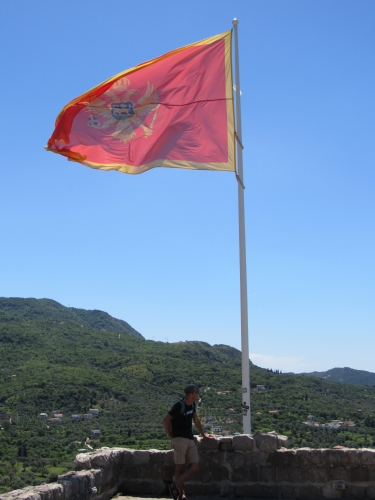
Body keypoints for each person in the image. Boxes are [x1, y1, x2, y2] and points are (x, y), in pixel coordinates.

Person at [163, 384, 212, 500]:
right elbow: (166, 419)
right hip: (179, 439)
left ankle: (175, 484)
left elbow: (196, 420)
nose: (198, 395)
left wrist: (203, 435)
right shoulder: (179, 405)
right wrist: (169, 434)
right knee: (179, 466)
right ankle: (180, 494)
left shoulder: (192, 405)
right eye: (197, 393)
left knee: (195, 466)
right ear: (193, 393)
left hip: (190, 439)